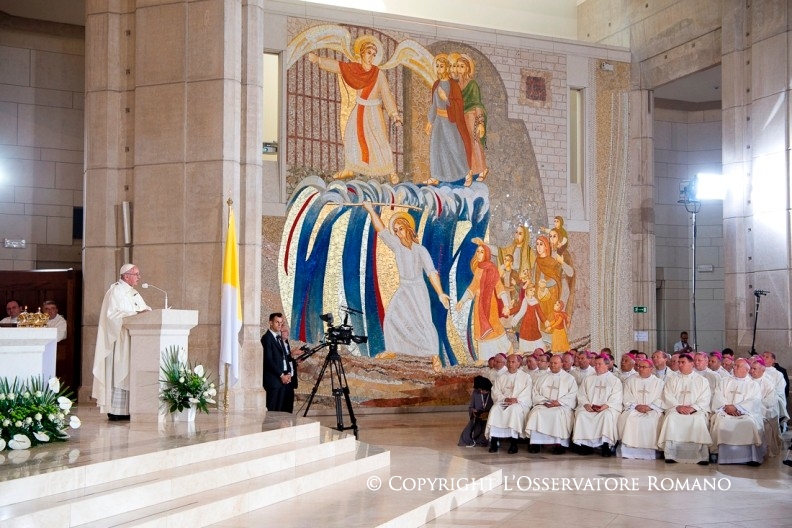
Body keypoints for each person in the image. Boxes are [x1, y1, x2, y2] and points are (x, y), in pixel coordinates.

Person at [307, 35, 402, 183]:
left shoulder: (378, 74)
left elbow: (386, 94)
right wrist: (319, 60)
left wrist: (394, 114)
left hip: (373, 112)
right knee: (351, 136)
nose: (371, 57)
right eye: (369, 53)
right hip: (359, 109)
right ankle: (350, 168)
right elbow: (338, 67)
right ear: (362, 53)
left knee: (380, 139)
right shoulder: (355, 69)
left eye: (374, 54)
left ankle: (391, 171)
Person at [362, 202, 450, 361]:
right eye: (396, 231)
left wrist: (441, 293)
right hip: (404, 288)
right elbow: (381, 230)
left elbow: (431, 273)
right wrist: (370, 210)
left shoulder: (421, 250)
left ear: (408, 228)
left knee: (424, 321)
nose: (398, 233)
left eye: (400, 228)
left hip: (418, 289)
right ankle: (393, 349)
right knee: (391, 317)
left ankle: (434, 355)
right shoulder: (397, 246)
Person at [91, 263, 151, 420]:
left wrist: (146, 312)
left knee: (129, 373)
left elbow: (144, 311)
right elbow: (112, 315)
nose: (139, 277)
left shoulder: (134, 293)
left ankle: (129, 409)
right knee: (119, 371)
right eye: (136, 274)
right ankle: (116, 410)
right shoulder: (115, 291)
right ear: (126, 276)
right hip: (119, 340)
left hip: (133, 339)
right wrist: (136, 313)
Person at [456, 241, 512, 361]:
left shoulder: (492, 269)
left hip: (490, 303)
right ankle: (483, 357)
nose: (479, 254)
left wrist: (506, 305)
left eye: (482, 252)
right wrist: (462, 301)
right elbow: (472, 287)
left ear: (486, 254)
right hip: (479, 304)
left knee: (495, 327)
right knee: (480, 328)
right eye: (478, 252)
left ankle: (507, 347)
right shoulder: (478, 269)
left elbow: (499, 287)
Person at [424, 53, 471, 185]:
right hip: (439, 121)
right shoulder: (436, 84)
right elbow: (434, 105)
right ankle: (436, 175)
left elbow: (459, 105)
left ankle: (467, 173)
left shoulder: (453, 85)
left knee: (454, 147)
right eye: (437, 66)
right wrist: (430, 121)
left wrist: (446, 99)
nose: (439, 69)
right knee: (436, 147)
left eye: (441, 66)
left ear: (447, 68)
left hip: (450, 122)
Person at [657, 354, 713, 464]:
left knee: (698, 419)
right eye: (679, 362)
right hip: (676, 409)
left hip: (696, 410)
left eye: (683, 362)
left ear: (691, 364)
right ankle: (671, 454)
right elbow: (667, 395)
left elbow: (705, 398)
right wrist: (678, 406)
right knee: (671, 418)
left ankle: (701, 456)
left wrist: (693, 408)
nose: (680, 365)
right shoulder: (672, 379)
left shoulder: (702, 380)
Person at [709, 358, 764, 465]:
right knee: (721, 422)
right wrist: (727, 407)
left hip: (744, 413)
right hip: (724, 411)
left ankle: (749, 457)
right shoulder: (724, 381)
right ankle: (720, 455)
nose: (734, 368)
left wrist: (737, 407)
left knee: (749, 423)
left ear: (746, 370)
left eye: (738, 366)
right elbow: (718, 396)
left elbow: (754, 401)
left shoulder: (753, 385)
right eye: (734, 365)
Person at [525, 355, 578, 454]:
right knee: (536, 413)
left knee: (557, 414)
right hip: (543, 404)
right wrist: (544, 401)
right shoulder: (542, 377)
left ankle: (558, 444)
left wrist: (559, 402)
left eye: (555, 363)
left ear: (561, 364)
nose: (553, 365)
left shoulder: (569, 378)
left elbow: (573, 394)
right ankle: (536, 443)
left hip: (561, 405)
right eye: (551, 363)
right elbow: (535, 392)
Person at [572, 355, 623, 456]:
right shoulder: (588, 379)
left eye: (599, 364)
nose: (596, 366)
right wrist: (586, 404)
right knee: (582, 415)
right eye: (595, 364)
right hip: (589, 407)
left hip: (606, 408)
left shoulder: (614, 380)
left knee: (607, 416)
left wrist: (605, 406)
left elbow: (616, 397)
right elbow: (581, 394)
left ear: (607, 365)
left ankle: (605, 446)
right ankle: (586, 446)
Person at [618, 358, 665, 459]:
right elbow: (627, 396)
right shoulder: (630, 381)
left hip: (652, 409)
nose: (640, 369)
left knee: (653, 419)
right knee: (628, 417)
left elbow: (661, 398)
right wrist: (636, 406)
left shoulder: (659, 383)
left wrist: (650, 407)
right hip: (634, 408)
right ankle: (629, 452)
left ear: (651, 369)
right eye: (639, 367)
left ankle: (651, 453)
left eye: (643, 367)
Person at [486, 354, 533, 454]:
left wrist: (517, 400)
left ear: (519, 363)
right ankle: (494, 441)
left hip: (518, 403)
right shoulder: (501, 377)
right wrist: (504, 399)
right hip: (503, 401)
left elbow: (527, 392)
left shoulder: (525, 377)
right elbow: (495, 391)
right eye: (508, 362)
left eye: (513, 362)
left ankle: (513, 443)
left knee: (514, 410)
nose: (510, 364)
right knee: (495, 409)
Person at [454, 53, 489, 184]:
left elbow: (477, 104)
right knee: (464, 144)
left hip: (471, 117)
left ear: (467, 69)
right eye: (457, 66)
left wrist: (481, 123)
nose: (459, 69)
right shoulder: (457, 85)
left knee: (474, 142)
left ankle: (482, 169)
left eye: (462, 66)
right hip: (460, 118)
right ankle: (468, 170)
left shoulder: (472, 84)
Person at [261, 312, 297, 413]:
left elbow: (285, 357)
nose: (279, 325)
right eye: (277, 322)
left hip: (283, 380)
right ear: (270, 322)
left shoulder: (279, 338)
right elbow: (268, 360)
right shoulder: (266, 338)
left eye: (281, 323)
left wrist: (288, 373)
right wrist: (281, 375)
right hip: (274, 380)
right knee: (273, 411)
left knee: (282, 411)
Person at [750, 357, 783, 458]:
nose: (751, 371)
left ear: (762, 370)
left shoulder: (768, 383)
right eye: (751, 368)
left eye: (754, 369)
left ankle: (764, 451)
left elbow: (769, 401)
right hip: (748, 410)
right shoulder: (747, 380)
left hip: (764, 410)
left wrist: (754, 407)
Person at [458, 375, 493, 447]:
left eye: (484, 390)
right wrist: (473, 411)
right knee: (469, 430)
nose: (482, 392)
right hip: (477, 417)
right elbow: (471, 407)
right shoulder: (475, 393)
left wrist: (488, 413)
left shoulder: (493, 393)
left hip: (489, 417)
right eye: (480, 390)